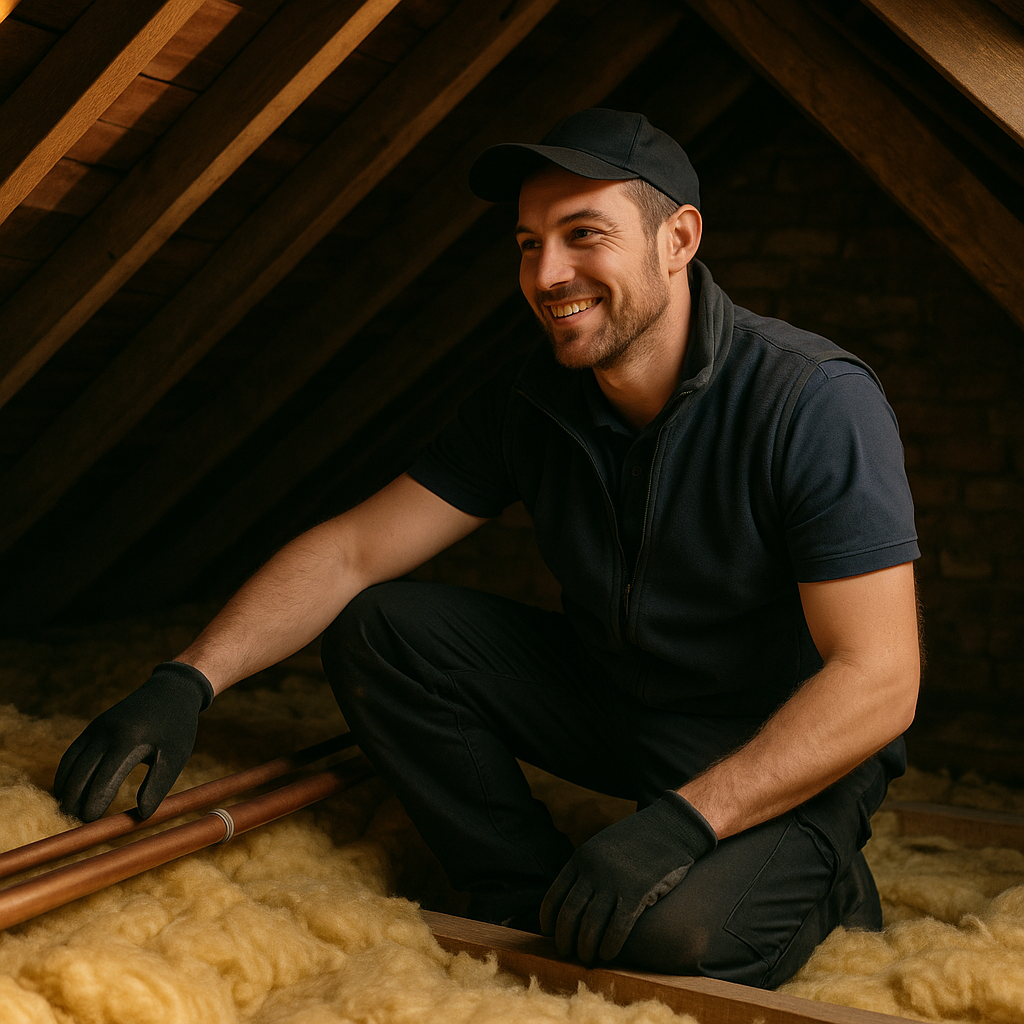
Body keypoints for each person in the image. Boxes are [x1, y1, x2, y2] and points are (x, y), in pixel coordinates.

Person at [53, 108, 921, 988]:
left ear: (679, 239)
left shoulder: (812, 400)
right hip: (624, 703)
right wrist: (187, 679)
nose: (547, 274)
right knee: (382, 629)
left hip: (778, 743)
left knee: (669, 943)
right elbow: (354, 551)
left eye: (584, 235)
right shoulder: (529, 400)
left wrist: (684, 823)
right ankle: (519, 885)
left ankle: (823, 882)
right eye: (528, 244)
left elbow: (880, 677)